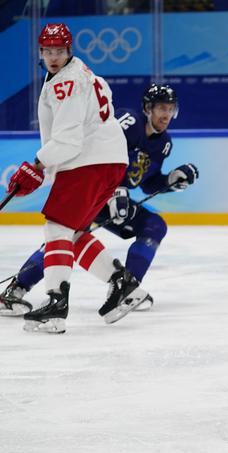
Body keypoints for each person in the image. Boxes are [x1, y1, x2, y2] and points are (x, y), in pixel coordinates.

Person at [0, 23, 152, 333]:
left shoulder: (64, 84)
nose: (53, 57)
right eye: (48, 51)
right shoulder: (85, 73)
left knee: (56, 227)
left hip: (87, 162)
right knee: (74, 232)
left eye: (59, 51)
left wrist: (39, 164)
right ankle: (122, 284)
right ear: (40, 52)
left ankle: (56, 304)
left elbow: (69, 140)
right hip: (108, 161)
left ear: (69, 51)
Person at [0, 84, 199, 317]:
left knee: (154, 225)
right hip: (94, 191)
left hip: (114, 199)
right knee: (66, 239)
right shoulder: (130, 122)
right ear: (147, 108)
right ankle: (16, 290)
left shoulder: (163, 143)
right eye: (161, 108)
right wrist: (117, 190)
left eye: (170, 109)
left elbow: (146, 182)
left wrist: (170, 181)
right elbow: (104, 155)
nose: (166, 114)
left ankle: (126, 287)